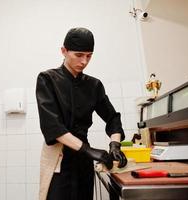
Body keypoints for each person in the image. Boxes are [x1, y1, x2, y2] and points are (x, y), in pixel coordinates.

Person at [35, 27, 128, 200]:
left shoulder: (94, 85)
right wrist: (88, 150)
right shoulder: (47, 79)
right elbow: (53, 126)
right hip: (58, 157)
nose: (84, 61)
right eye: (78, 55)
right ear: (64, 51)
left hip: (84, 161)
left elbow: (112, 118)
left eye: (89, 55)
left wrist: (115, 145)